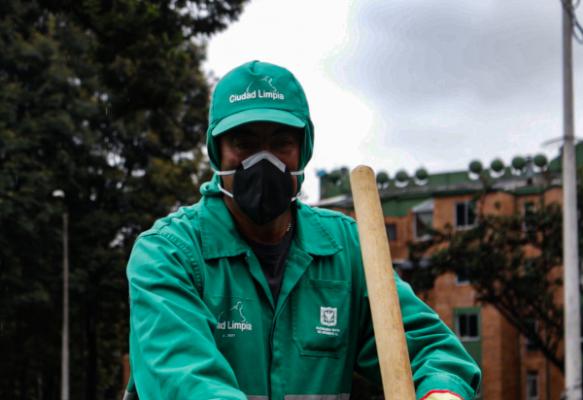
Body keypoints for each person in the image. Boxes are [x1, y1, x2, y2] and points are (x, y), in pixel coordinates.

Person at [124, 60, 481, 400]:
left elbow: (428, 347)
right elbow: (185, 382)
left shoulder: (347, 250)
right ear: (217, 153)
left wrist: (440, 390)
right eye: (244, 143)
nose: (264, 159)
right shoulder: (168, 254)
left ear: (303, 150)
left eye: (281, 142)